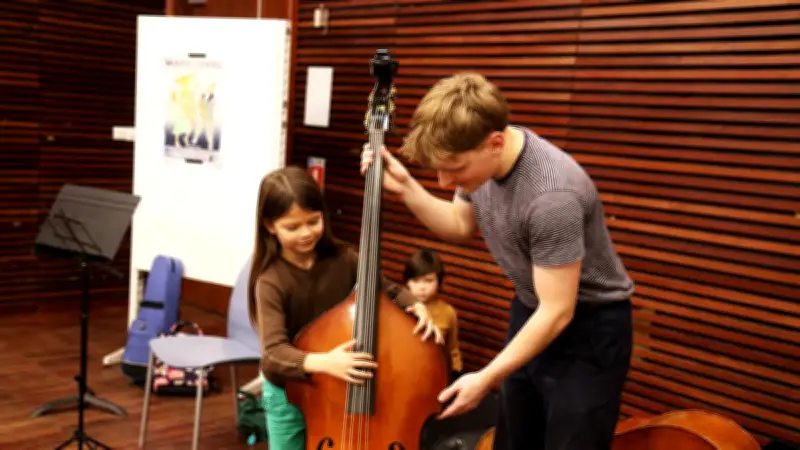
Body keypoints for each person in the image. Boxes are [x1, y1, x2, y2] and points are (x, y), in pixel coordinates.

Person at [360, 72, 635, 450]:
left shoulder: (552, 196)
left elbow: (558, 311)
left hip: (588, 330)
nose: (444, 181)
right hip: (532, 307)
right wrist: (407, 187)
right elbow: (459, 224)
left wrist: (486, 376)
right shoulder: (481, 150)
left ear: (495, 143)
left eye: (454, 169)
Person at [247, 166, 444, 450]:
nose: (306, 233)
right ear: (269, 226)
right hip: (288, 390)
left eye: (313, 221)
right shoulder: (270, 281)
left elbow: (387, 288)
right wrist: (324, 362)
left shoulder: (345, 259)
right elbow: (273, 354)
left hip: (337, 384)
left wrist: (415, 306)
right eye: (292, 227)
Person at [403, 248, 463, 381]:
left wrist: (455, 373)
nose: (422, 287)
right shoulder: (398, 307)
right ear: (407, 282)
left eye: (428, 281)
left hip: (435, 374)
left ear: (439, 282)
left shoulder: (448, 312)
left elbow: (453, 350)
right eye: (416, 281)